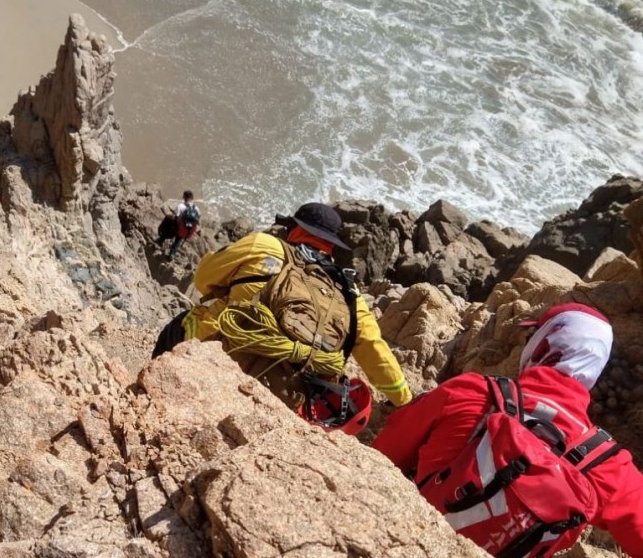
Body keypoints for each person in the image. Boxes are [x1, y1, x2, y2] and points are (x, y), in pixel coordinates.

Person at [373, 303, 643, 558]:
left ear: (541, 349)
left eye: (531, 337)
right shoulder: (611, 465)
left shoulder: (472, 392)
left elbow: (379, 458)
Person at [153, 202, 412, 434]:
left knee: (179, 324)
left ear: (295, 230)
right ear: (331, 245)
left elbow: (203, 279)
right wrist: (403, 399)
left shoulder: (264, 245)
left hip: (217, 354)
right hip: (288, 396)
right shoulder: (349, 292)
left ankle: (150, 396)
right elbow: (373, 348)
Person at [168, 190, 201, 259]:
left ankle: (171, 253)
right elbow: (198, 220)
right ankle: (173, 252)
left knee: (168, 221)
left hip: (180, 231)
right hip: (189, 232)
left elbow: (174, 217)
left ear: (184, 197)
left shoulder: (181, 206)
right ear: (192, 198)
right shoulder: (197, 208)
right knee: (179, 239)